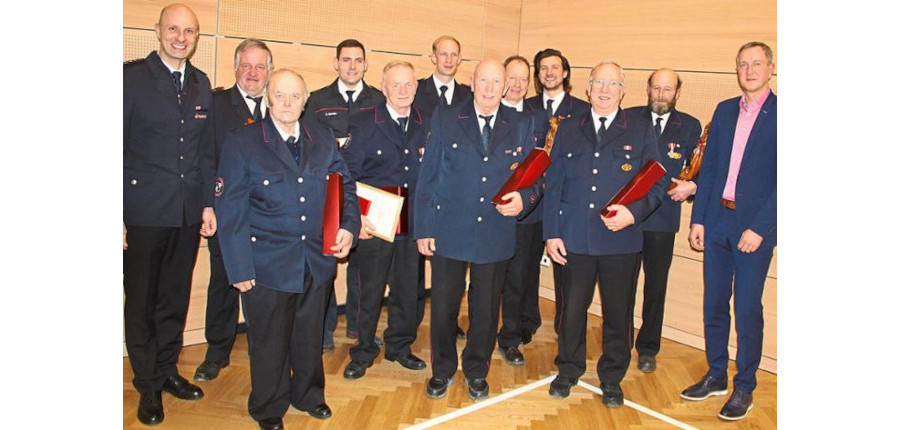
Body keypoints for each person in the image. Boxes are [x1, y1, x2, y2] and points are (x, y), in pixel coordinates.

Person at [215, 69, 360, 429]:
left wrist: (348, 227)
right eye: (279, 95)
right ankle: (268, 406)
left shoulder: (322, 137)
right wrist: (239, 268)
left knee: (309, 335)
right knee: (269, 342)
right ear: (267, 97)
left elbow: (346, 189)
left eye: (295, 96)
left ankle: (308, 394)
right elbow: (230, 210)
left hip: (315, 260)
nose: (287, 103)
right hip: (265, 263)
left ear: (306, 99)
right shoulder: (242, 141)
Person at [415, 59, 538, 401]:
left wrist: (523, 199)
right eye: (483, 80)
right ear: (472, 82)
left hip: (495, 233)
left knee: (485, 311)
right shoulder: (447, 117)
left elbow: (535, 178)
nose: (489, 88)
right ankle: (441, 370)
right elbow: (428, 177)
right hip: (449, 230)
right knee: (443, 309)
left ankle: (475, 370)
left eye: (495, 82)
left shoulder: (522, 123)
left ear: (506, 87)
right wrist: (424, 227)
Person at [543, 62, 662, 408]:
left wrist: (633, 213)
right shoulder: (568, 129)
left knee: (618, 312)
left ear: (623, 91)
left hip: (619, 242)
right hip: (575, 238)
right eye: (599, 83)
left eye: (613, 84)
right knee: (571, 310)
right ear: (588, 88)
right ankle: (568, 368)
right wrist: (552, 233)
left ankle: (612, 377)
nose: (605, 90)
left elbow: (658, 183)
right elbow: (554, 184)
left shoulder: (639, 130)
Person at [123, 3, 216, 425]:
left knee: (174, 299)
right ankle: (147, 386)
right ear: (157, 31)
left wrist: (208, 203)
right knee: (142, 302)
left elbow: (205, 152)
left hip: (186, 212)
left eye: (190, 31)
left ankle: (166, 371)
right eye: (174, 29)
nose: (181, 37)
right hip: (142, 212)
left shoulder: (200, 84)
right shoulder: (130, 80)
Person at [680, 41, 776, 422]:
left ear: (770, 67)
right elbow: (711, 169)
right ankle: (716, 373)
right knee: (714, 303)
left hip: (754, 227)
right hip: (717, 218)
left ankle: (745, 386)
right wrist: (698, 219)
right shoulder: (723, 111)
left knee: (748, 307)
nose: (749, 70)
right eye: (743, 64)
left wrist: (761, 227)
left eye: (756, 63)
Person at [340, 61, 430, 380]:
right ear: (383, 87)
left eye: (409, 85)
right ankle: (363, 350)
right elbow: (345, 174)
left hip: (412, 219)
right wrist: (357, 217)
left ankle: (400, 347)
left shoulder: (427, 122)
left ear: (416, 88)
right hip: (375, 218)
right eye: (396, 85)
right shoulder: (364, 122)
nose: (403, 91)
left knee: (408, 290)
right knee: (370, 290)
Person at [194, 38, 273, 383]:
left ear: (269, 71)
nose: (253, 73)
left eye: (260, 66)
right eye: (247, 65)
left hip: (271, 218)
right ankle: (217, 351)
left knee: (267, 286)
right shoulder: (216, 105)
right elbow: (204, 159)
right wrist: (208, 204)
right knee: (223, 283)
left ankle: (266, 349)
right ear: (235, 68)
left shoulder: (282, 104)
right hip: (229, 214)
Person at [303, 39, 384, 351]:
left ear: (365, 64)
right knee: (326, 261)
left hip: (369, 190)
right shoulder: (317, 100)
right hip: (330, 191)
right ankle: (323, 334)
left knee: (365, 266)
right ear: (335, 63)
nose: (352, 65)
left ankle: (358, 327)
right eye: (346, 60)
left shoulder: (378, 99)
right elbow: (310, 144)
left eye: (358, 60)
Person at [624, 68, 701, 373]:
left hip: (662, 220)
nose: (661, 95)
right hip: (628, 217)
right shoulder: (627, 118)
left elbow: (702, 171)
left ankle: (648, 347)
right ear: (647, 88)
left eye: (668, 90)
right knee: (622, 285)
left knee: (656, 286)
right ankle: (620, 341)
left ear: (677, 93)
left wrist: (692, 187)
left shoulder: (690, 127)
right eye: (657, 88)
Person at [524, 48, 590, 341]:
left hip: (564, 204)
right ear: (538, 76)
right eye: (543, 69)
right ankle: (525, 323)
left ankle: (566, 329)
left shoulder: (584, 111)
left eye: (554, 67)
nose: (549, 72)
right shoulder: (525, 108)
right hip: (530, 202)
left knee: (567, 274)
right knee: (524, 268)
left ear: (565, 72)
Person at [494, 55, 539, 366]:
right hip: (488, 213)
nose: (519, 84)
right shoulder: (486, 111)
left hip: (524, 214)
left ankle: (510, 337)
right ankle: (479, 332)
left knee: (518, 278)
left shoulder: (538, 118)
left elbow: (541, 168)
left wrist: (526, 199)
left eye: (525, 78)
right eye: (513, 77)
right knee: (484, 279)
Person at [412, 35, 472, 117]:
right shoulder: (416, 90)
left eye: (454, 55)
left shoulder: (468, 96)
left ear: (459, 59)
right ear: (433, 57)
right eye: (444, 54)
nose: (449, 60)